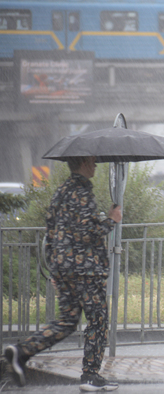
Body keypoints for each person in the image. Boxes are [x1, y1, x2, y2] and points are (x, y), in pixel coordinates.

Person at [4, 156, 122, 392]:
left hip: (63, 268)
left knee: (67, 320)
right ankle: (90, 375)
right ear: (83, 164)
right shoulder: (82, 193)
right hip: (85, 270)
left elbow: (51, 230)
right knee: (98, 320)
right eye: (92, 161)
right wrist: (111, 220)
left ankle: (21, 351)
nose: (96, 165)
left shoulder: (60, 193)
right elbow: (87, 234)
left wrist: (56, 266)